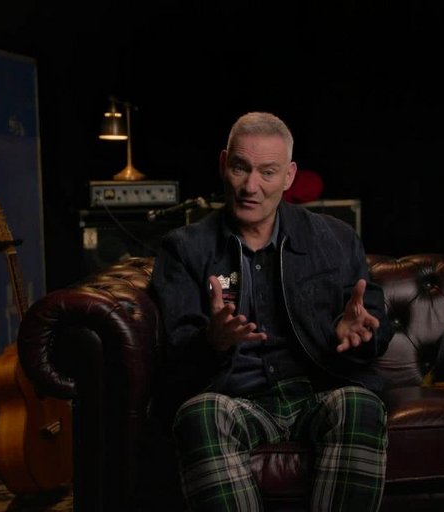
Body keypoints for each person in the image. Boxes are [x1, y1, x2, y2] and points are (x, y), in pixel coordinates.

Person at [150, 111, 393, 511]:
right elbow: (175, 355)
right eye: (240, 168)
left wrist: (357, 332)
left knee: (360, 403)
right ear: (223, 164)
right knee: (200, 413)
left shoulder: (334, 237)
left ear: (289, 176)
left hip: (317, 392)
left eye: (267, 172)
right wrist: (213, 341)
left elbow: (372, 323)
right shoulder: (184, 248)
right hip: (235, 398)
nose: (251, 186)